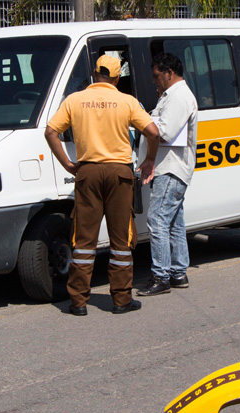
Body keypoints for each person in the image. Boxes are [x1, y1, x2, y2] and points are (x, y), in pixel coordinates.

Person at [44, 54, 160, 316]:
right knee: (121, 239)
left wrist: (67, 164)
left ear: (94, 74)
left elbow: (51, 131)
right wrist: (149, 159)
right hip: (120, 174)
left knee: (84, 240)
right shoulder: (126, 101)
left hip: (87, 173)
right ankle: (121, 300)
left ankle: (78, 302)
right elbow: (153, 132)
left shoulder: (74, 100)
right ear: (118, 78)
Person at [136, 53, 198, 297]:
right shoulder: (172, 96)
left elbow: (164, 133)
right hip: (169, 167)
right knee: (173, 222)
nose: (154, 82)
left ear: (169, 73)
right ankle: (178, 272)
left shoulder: (179, 96)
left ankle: (160, 276)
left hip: (171, 168)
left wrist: (139, 119)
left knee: (158, 220)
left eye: (156, 76)